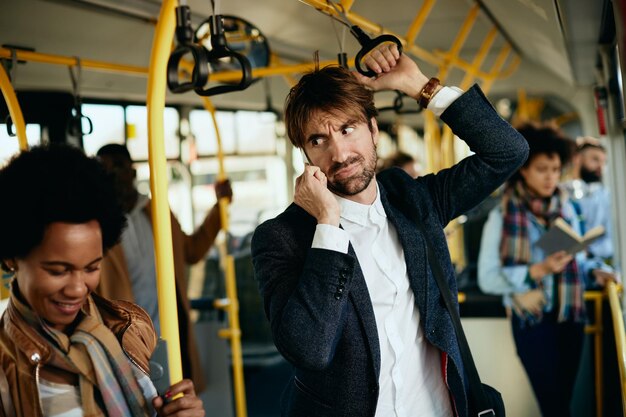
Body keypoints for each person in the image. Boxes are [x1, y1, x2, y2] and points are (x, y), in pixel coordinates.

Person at [251, 44, 529, 417]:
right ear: (306, 155)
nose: (339, 153)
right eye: (318, 140)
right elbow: (310, 350)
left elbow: (507, 151)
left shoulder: (413, 201)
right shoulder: (282, 237)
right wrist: (328, 226)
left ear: (373, 129)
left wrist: (419, 86)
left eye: (348, 129)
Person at [0, 144, 205, 417]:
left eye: (91, 268)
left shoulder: (131, 327)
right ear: (12, 258)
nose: (77, 289)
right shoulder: (5, 367)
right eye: (58, 271)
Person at [477, 124, 615, 416]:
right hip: (532, 321)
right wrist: (535, 271)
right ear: (524, 170)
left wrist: (594, 271)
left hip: (570, 315)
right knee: (553, 405)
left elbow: (575, 258)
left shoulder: (567, 209)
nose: (551, 177)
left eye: (555, 169)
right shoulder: (503, 216)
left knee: (562, 402)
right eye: (542, 169)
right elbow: (486, 277)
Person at [96, 143, 232, 392]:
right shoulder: (97, 227)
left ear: (133, 173)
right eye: (104, 169)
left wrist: (220, 209)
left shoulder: (157, 213)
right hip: (123, 340)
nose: (113, 175)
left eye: (119, 167)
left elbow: (192, 250)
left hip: (170, 335)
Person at [564, 138, 613, 261]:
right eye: (595, 159)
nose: (600, 167)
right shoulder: (562, 191)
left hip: (592, 261)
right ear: (577, 159)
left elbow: (612, 241)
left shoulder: (605, 197)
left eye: (603, 162)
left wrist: (589, 251)